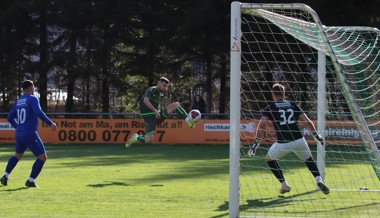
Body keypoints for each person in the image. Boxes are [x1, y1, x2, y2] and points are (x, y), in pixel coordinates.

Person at [248, 83, 329, 195]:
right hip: (299, 140)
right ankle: (319, 180)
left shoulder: (271, 107)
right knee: (309, 159)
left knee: (269, 159)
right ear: (284, 94)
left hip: (284, 143)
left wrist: (256, 143)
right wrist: (315, 135)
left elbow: (262, 125)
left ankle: (284, 185)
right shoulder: (293, 105)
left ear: (273, 94)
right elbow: (307, 121)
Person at [0, 80, 57, 188]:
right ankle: (30, 181)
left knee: (17, 155)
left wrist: (18, 127)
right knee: (42, 157)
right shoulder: (32, 99)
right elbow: (38, 112)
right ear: (31, 88)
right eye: (34, 87)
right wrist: (51, 123)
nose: (34, 89)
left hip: (20, 134)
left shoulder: (19, 101)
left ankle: (5, 176)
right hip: (30, 133)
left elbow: (9, 117)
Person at [126, 77, 197, 146]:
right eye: (164, 86)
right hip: (149, 117)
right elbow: (145, 100)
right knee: (149, 140)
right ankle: (136, 137)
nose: (165, 88)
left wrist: (161, 112)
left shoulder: (160, 94)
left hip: (157, 115)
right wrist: (155, 111)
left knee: (175, 105)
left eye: (166, 86)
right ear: (159, 83)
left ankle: (188, 120)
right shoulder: (152, 89)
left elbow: (157, 106)